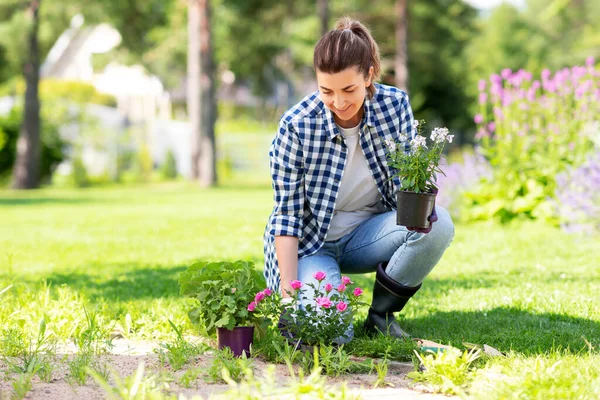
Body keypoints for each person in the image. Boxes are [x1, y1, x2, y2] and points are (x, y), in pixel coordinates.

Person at [262, 16, 454, 342]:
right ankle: (326, 308)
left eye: (349, 89)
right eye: (327, 91)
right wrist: (288, 299)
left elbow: (409, 175)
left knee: (438, 226)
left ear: (368, 75)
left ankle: (381, 316)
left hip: (367, 235)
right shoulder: (297, 125)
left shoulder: (394, 106)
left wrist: (421, 199)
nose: (338, 103)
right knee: (333, 334)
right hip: (312, 246)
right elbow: (287, 217)